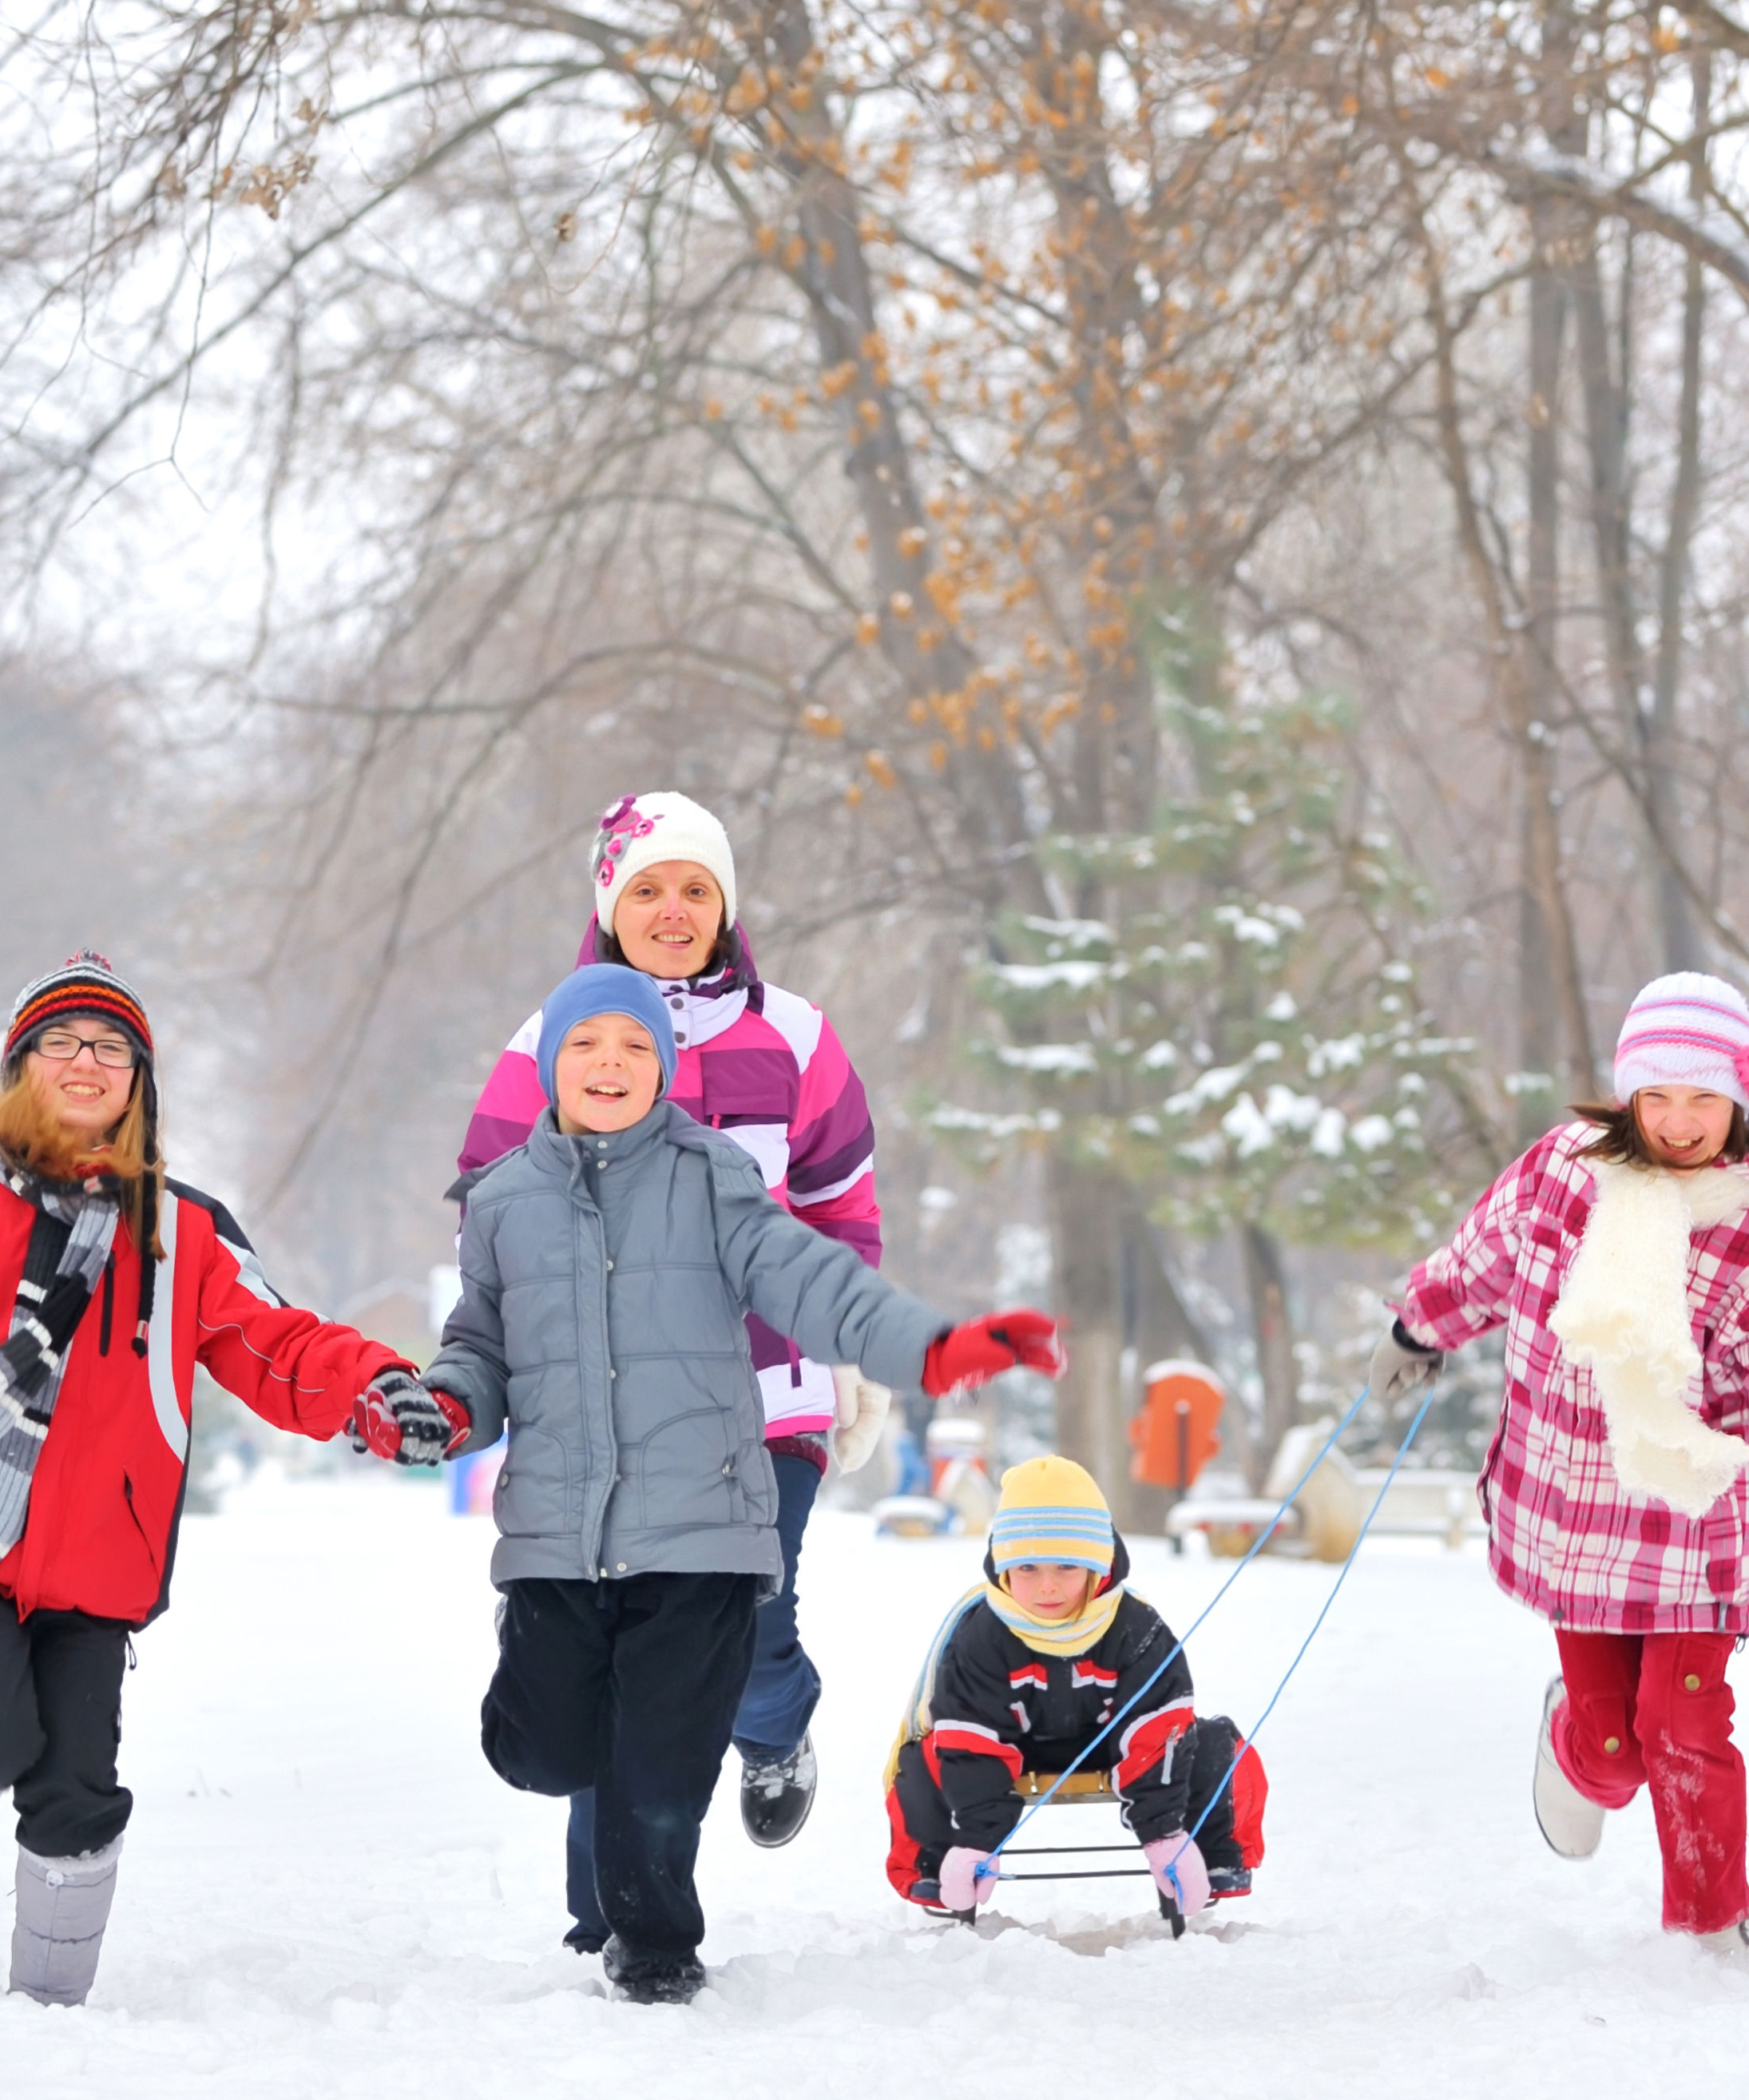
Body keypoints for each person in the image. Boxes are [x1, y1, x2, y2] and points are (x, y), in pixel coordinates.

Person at [0, 954, 458, 2007]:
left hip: (104, 1562)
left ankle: (47, 2024)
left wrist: (377, 1391)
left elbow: (276, 1346)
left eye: (112, 1047)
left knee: (78, 1791)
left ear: (140, 1082)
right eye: (61, 1043)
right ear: (18, 1070)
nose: (87, 1062)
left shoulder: (186, 1234)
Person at [422, 963, 1064, 2003]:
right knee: (543, 1748)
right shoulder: (501, 1205)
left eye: (635, 1049)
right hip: (558, 1532)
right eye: (587, 1046)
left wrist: (933, 1349)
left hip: (703, 1525)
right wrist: (448, 1405)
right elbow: (479, 1344)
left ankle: (655, 1955)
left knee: (659, 1773)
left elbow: (811, 1280)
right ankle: (596, 1789)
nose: (611, 1066)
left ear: (664, 1071)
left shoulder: (711, 1175)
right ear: (550, 1067)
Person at [453, 792, 886, 1915]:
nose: (673, 908)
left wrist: (851, 1347)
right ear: (609, 905)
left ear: (725, 903)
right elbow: (491, 1209)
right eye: (646, 886)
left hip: (763, 1389)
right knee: (617, 1649)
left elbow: (840, 1200)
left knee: (748, 1617)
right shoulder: (547, 1039)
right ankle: (607, 1914)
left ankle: (775, 1726)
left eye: (696, 886)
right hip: (606, 1405)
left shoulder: (791, 1035)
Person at [1367, 973, 1749, 1948]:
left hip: (1698, 1527)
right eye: (1660, 1096)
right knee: (1612, 1751)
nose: (1681, 1121)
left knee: (1681, 1729)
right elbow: (1479, 1260)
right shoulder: (1562, 1174)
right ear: (1629, 1094)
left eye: (1705, 1098)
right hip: (1577, 1514)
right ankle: (1575, 1735)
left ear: (1743, 1099)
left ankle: (1711, 1931)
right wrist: (1418, 1324)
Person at [882, 1456, 1267, 1923]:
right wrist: (978, 1838)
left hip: (1114, 1748)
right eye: (1027, 1568)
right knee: (924, 1756)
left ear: (1097, 1565)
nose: (1047, 1587)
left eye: (1067, 1566)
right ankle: (940, 1867)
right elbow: (971, 1734)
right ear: (1003, 1569)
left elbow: (1158, 1726)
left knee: (1213, 1742)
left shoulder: (1134, 1626)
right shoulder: (980, 1635)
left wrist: (1164, 1832)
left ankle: (1210, 1856)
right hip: (1009, 1749)